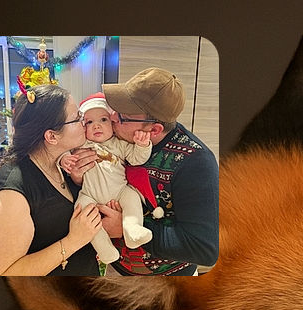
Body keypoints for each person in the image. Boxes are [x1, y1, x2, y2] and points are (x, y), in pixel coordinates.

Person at [65, 67, 218, 275]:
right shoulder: (112, 135)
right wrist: (78, 179)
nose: (112, 117)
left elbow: (204, 249)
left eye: (123, 117)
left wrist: (124, 226)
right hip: (115, 268)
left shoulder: (195, 162)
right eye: (115, 109)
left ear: (154, 130)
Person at [0, 83, 104, 276]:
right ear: (52, 136)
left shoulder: (62, 161)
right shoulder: (12, 190)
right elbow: (1, 272)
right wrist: (73, 241)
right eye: (77, 118)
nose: (84, 122)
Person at [74, 93, 154, 266]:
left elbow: (136, 159)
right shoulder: (81, 145)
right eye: (89, 122)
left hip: (120, 191)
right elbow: (64, 154)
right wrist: (64, 159)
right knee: (82, 212)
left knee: (132, 197)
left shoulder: (119, 144)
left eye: (103, 120)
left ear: (112, 123)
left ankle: (132, 230)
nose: (96, 125)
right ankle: (104, 249)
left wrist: (142, 145)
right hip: (90, 195)